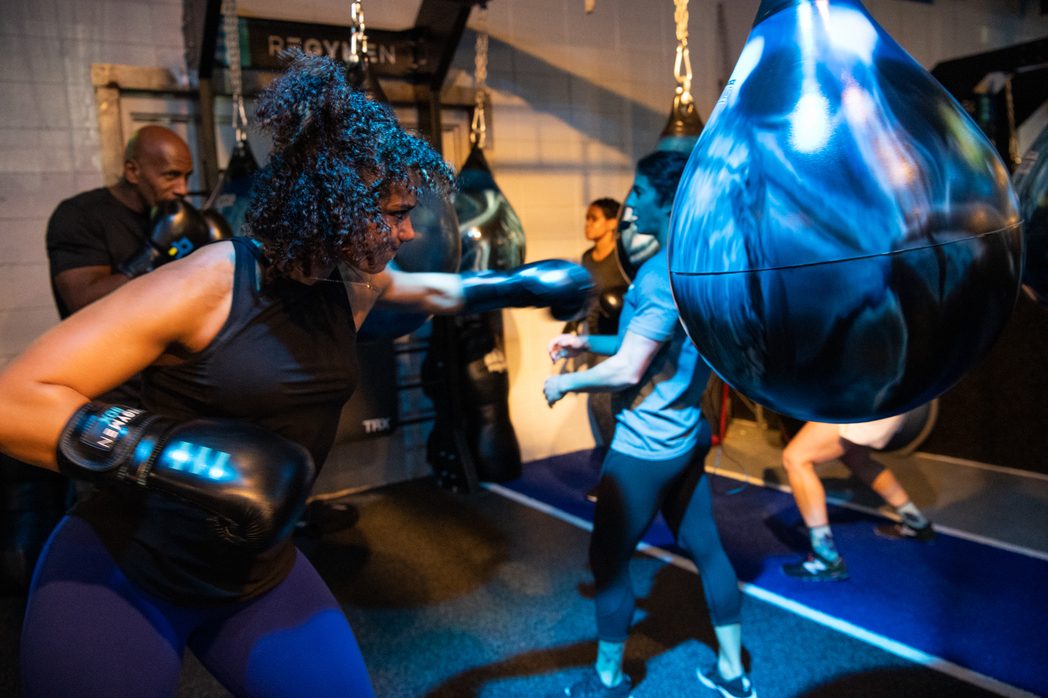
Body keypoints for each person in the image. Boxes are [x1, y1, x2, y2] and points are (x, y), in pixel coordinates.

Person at [0, 49, 592, 697]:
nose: (406, 232)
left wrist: (516, 284)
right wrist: (173, 456)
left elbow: (427, 290)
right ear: (333, 203)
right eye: (394, 214)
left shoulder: (354, 284)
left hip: (256, 571)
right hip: (126, 566)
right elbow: (15, 399)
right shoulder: (210, 282)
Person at [544, 151, 755, 698]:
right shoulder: (700, 264)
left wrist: (564, 384)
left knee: (608, 562)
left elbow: (629, 368)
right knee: (707, 549)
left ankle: (608, 679)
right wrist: (583, 342)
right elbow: (640, 343)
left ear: (669, 203)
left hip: (644, 447)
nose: (630, 206)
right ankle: (733, 672)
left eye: (639, 194)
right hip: (684, 436)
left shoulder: (660, 276)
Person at [0, 126, 198, 596]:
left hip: (167, 399)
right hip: (104, 406)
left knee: (167, 525)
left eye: (187, 177)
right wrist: (153, 252)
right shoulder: (81, 216)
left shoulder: (177, 217)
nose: (182, 189)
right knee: (107, 526)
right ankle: (89, 613)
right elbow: (83, 301)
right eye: (171, 175)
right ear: (132, 170)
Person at [781, 414, 935, 582]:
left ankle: (826, 558)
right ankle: (917, 524)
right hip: (881, 408)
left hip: (861, 408)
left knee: (796, 459)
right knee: (857, 459)